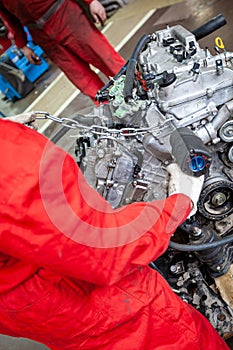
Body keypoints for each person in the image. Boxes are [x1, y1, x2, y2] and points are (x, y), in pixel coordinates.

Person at [0, 113, 230, 350]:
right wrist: (179, 203)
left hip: (24, 306)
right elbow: (105, 250)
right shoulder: (8, 159)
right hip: (96, 307)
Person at [0, 0, 126, 102]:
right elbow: (8, 17)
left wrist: (91, 2)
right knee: (82, 79)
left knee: (106, 59)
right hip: (41, 34)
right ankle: (111, 111)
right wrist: (22, 45)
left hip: (65, 15)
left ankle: (139, 88)